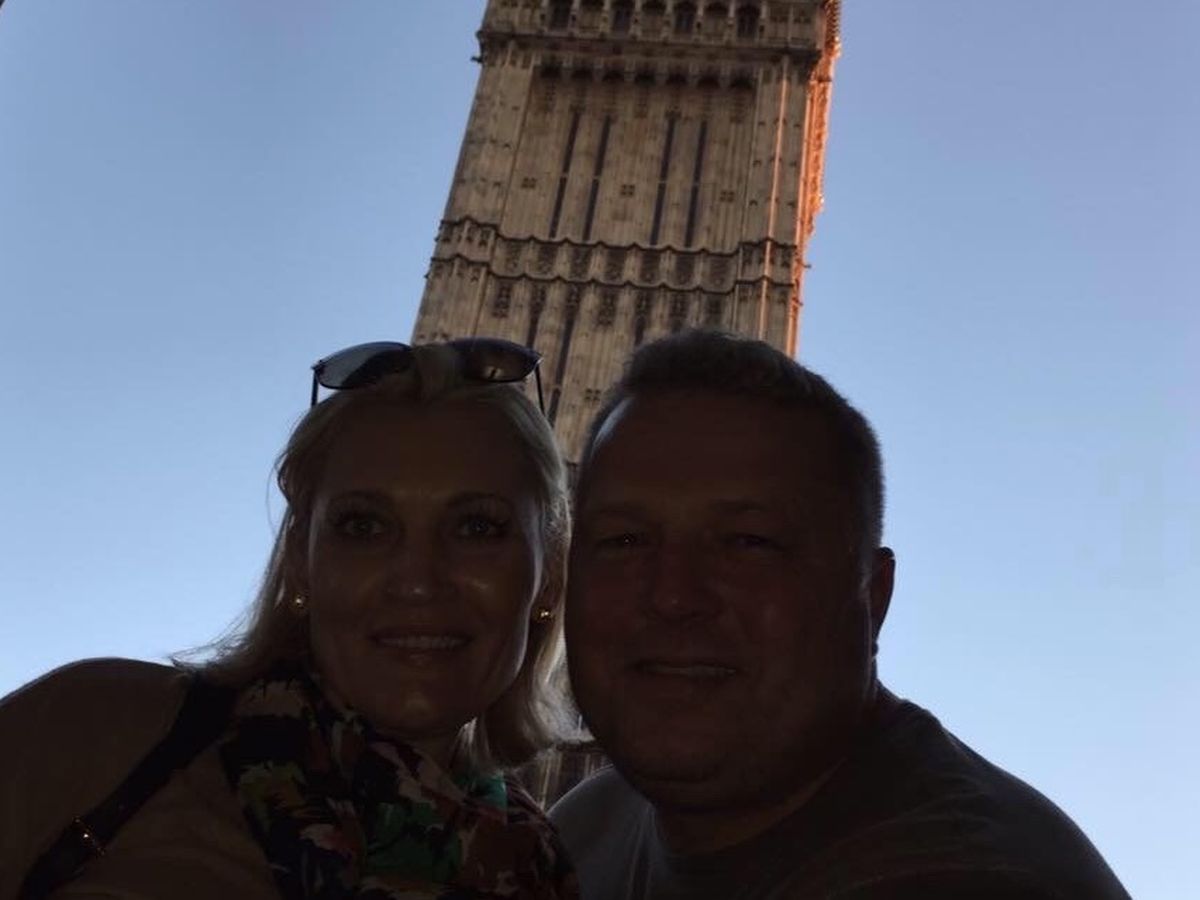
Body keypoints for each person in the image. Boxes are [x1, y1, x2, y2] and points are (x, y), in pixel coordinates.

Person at [551, 330, 1129, 899]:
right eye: (624, 540)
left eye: (749, 542)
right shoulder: (580, 833)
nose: (673, 595)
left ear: (872, 596)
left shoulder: (973, 876)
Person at [1, 339, 579, 899]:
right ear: (300, 560)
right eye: (363, 526)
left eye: (478, 527)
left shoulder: (544, 866)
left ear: (549, 576)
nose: (418, 580)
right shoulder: (94, 733)